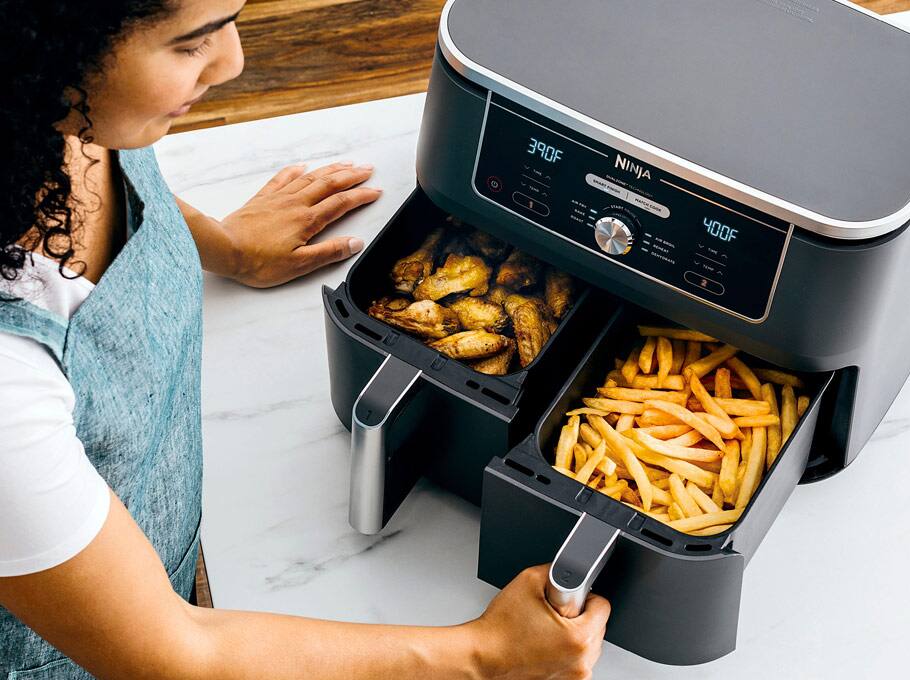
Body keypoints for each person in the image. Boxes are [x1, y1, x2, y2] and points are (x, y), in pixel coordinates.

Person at [0, 1, 611, 678]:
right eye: (189, 46)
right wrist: (486, 654)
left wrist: (225, 246)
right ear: (36, 58)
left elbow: (88, 165)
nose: (234, 61)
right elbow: (175, 655)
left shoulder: (50, 116)